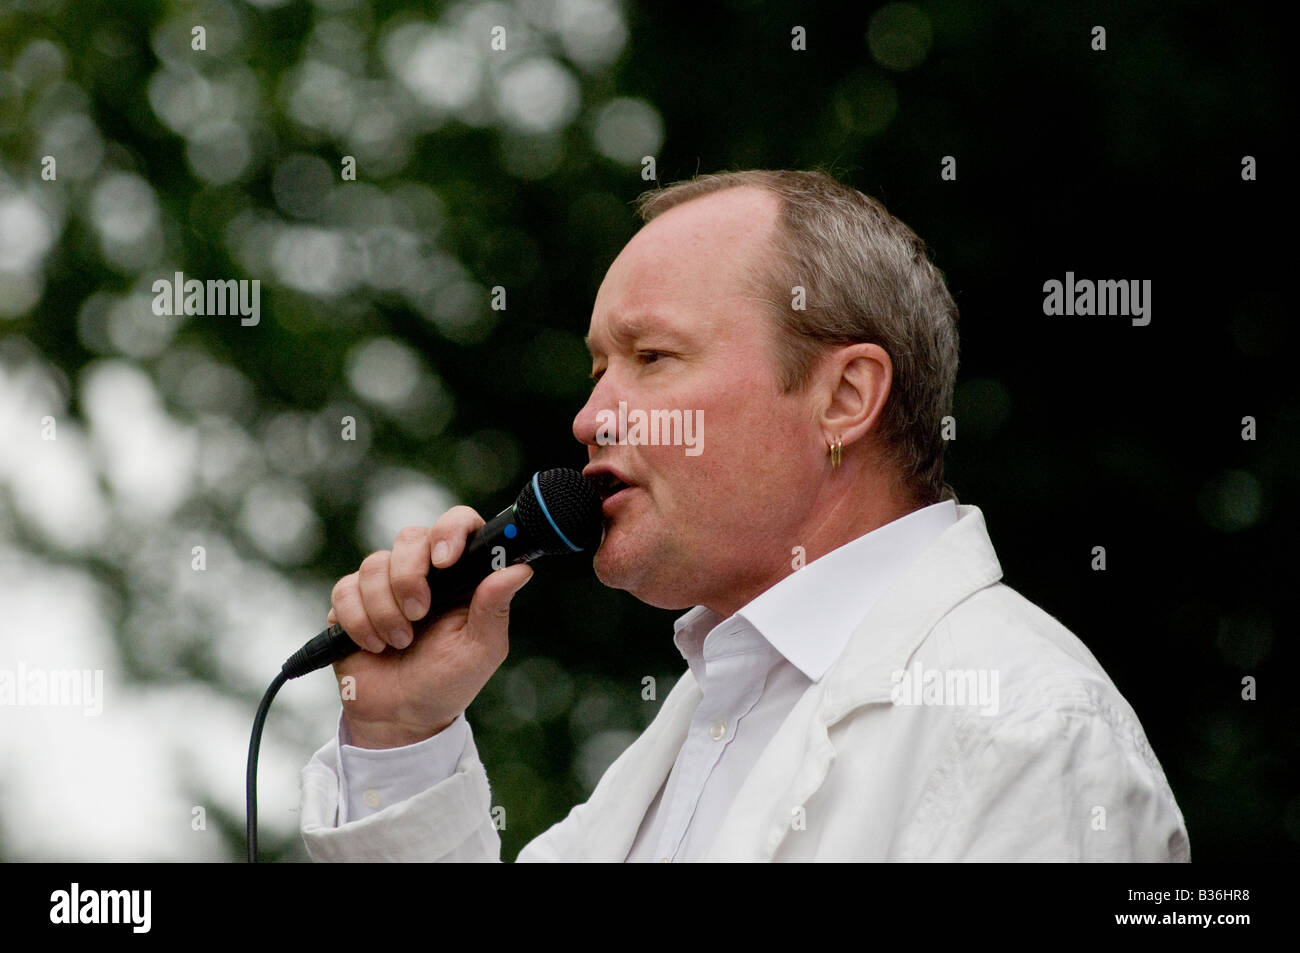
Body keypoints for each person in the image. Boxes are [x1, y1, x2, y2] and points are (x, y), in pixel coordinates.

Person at [298, 170, 1190, 862]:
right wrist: (401, 741)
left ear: (845, 397)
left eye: (652, 356)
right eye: (598, 366)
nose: (592, 416)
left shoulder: (1029, 726)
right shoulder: (706, 717)